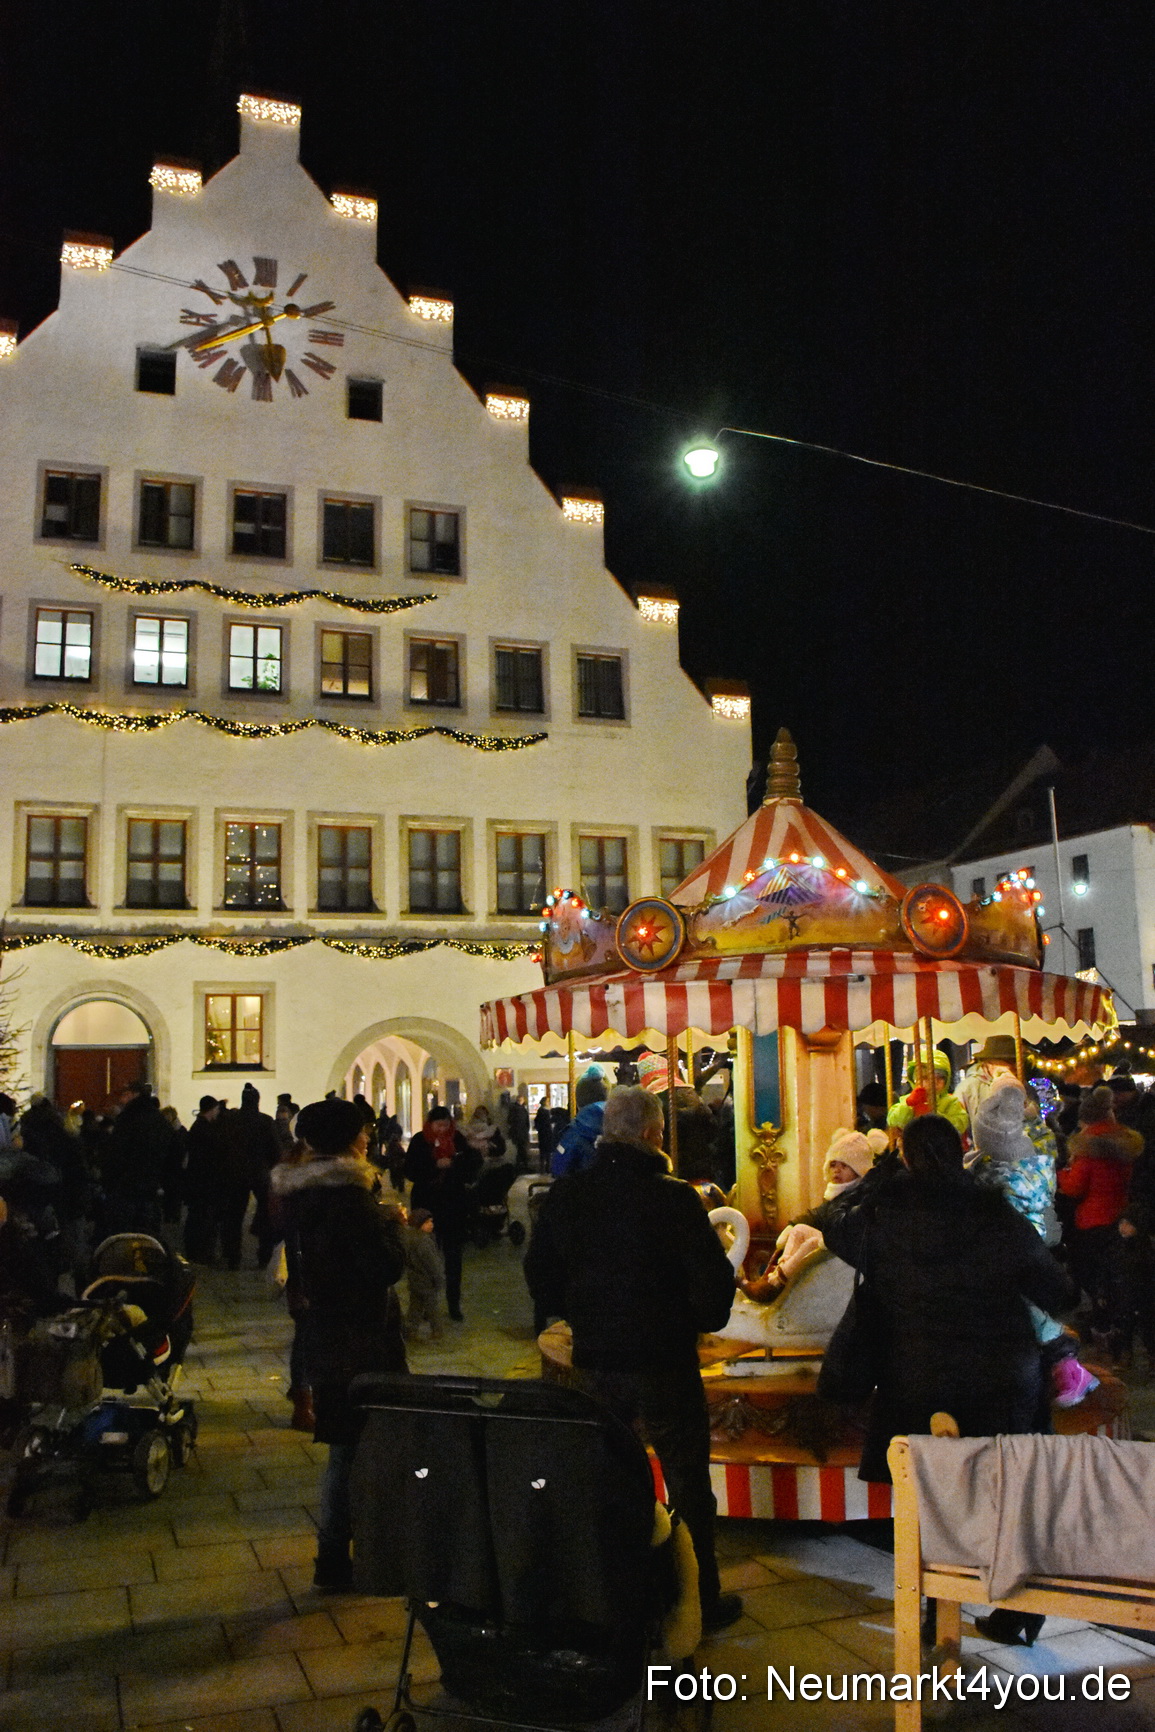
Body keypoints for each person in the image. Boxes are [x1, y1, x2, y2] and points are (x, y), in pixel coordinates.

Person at [822, 1114, 1073, 1645]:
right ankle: (1017, 1611)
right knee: (1009, 1491)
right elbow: (1056, 1290)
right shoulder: (992, 1210)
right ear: (960, 1151)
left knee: (924, 1498)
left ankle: (932, 1610)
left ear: (905, 1155)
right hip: (1000, 1377)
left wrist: (881, 1178)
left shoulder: (884, 1211)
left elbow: (828, 1218)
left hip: (916, 1375)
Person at [524, 1084, 743, 1634]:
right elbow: (713, 1295)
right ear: (651, 1135)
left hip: (595, 1360)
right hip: (664, 1361)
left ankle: (606, 1592)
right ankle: (701, 1598)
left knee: (605, 1477)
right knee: (687, 1484)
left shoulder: (569, 1196)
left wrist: (581, 1309)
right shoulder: (673, 1200)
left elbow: (539, 1277)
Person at [273, 1097, 407, 1588]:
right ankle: (357, 1552)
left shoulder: (301, 1193)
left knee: (344, 1447)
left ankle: (334, 1554)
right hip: (363, 1333)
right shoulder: (350, 1197)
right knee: (362, 1448)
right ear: (350, 1140)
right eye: (363, 1131)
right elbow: (383, 1267)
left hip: (326, 1330)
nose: (369, 1137)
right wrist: (394, 1228)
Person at [973, 1080, 1096, 1406]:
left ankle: (1064, 1366)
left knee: (1029, 1312)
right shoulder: (1018, 1162)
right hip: (1026, 1248)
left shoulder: (1007, 1172)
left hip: (1019, 1251)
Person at [1058, 1084, 1144, 1361]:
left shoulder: (1087, 1148)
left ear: (1086, 1119)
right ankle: (1125, 1339)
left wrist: (1060, 1174)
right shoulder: (1126, 1143)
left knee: (1097, 1282)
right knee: (1119, 1281)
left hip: (1092, 1222)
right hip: (1121, 1218)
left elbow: (1074, 1188)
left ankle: (1105, 1336)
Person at [405, 1106, 481, 1321]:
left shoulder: (457, 1139)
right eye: (439, 1125)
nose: (442, 1129)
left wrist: (457, 1162)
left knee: (453, 1256)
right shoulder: (420, 1140)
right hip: (427, 1206)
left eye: (446, 1125)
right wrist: (434, 1165)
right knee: (425, 1256)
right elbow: (410, 1170)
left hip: (452, 1205)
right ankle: (427, 1306)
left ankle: (453, 1304)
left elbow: (471, 1165)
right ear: (430, 1124)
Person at [97, 1080, 168, 1236]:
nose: (122, 1099)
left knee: (126, 1232)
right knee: (148, 1232)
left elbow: (116, 1152)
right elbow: (172, 1150)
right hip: (151, 1184)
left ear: (134, 1095)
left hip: (127, 1186)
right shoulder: (158, 1118)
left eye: (125, 1095)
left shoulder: (128, 1118)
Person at [183, 1096, 226, 1264]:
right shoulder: (205, 1130)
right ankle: (202, 1253)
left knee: (197, 1218)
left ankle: (195, 1251)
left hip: (198, 1182)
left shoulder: (198, 1127)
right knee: (204, 1219)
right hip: (205, 1183)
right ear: (212, 1109)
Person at [956, 1034, 1019, 1129]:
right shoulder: (967, 1088)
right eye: (1007, 1062)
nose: (1011, 1067)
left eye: (1013, 1062)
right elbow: (959, 1123)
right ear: (989, 1063)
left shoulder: (1020, 1085)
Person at [403, 1205, 445, 1338]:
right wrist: (439, 1279)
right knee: (431, 1307)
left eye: (431, 1221)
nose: (431, 1225)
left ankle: (411, 1329)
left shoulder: (409, 1238)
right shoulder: (423, 1242)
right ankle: (437, 1330)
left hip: (414, 1279)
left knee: (415, 1306)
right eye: (427, 1222)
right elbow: (432, 1264)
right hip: (426, 1281)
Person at [534, 1098, 555, 1171]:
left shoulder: (548, 1110)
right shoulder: (542, 1111)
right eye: (547, 1101)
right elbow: (541, 1121)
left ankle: (547, 1167)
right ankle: (544, 1167)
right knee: (544, 1151)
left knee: (548, 1151)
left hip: (547, 1132)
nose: (548, 1102)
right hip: (544, 1132)